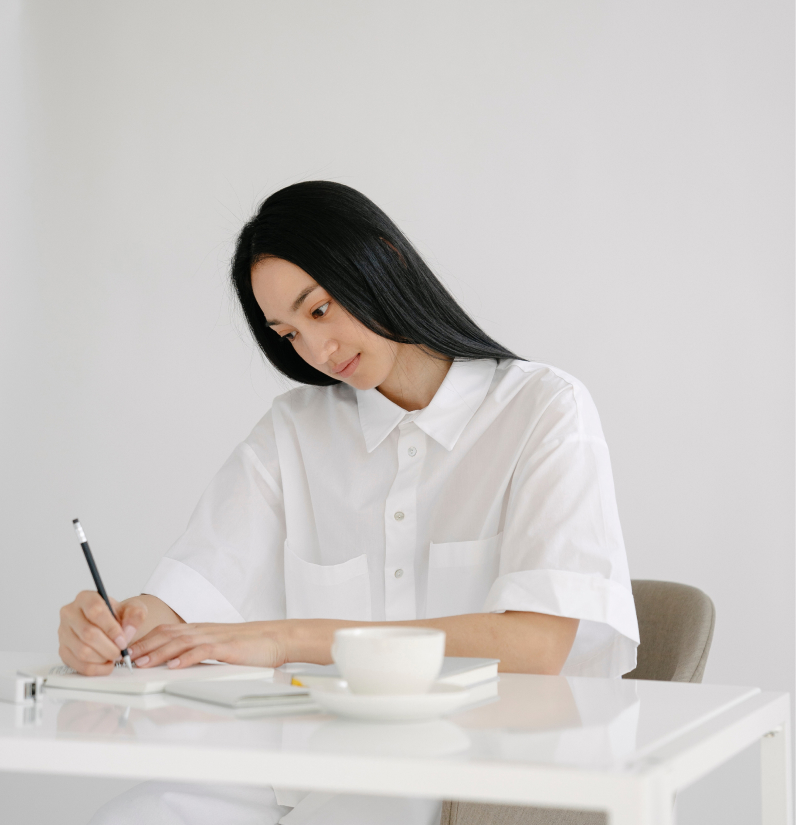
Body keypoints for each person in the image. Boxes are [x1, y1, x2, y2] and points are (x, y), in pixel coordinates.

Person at [59, 181, 640, 825]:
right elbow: (186, 604)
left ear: (383, 262)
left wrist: (284, 641)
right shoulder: (295, 431)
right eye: (287, 333)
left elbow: (535, 645)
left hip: (475, 773)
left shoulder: (543, 409)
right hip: (304, 766)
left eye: (320, 309)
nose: (316, 351)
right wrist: (113, 627)